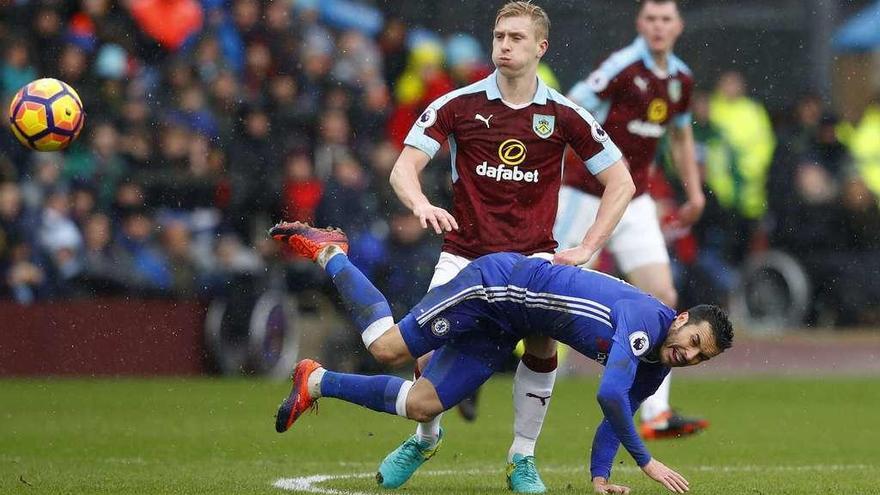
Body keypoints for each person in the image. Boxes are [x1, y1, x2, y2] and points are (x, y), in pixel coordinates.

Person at [270, 221, 733, 495]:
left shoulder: (659, 362)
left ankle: (315, 381)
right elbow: (610, 394)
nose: (687, 354)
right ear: (683, 318)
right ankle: (331, 250)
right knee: (386, 349)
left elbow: (617, 416)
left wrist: (599, 477)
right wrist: (647, 462)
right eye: (692, 340)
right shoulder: (645, 322)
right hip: (494, 287)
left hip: (516, 321)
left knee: (423, 403)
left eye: (698, 357)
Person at [385, 2, 636, 492]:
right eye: (500, 35)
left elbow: (621, 182)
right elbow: (403, 168)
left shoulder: (564, 115)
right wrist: (420, 203)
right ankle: (425, 436)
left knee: (544, 344)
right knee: (421, 354)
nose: (504, 44)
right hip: (465, 254)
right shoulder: (458, 105)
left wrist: (588, 245)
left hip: (532, 259)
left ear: (540, 47)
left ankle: (522, 458)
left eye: (517, 37)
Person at [556, 0, 707, 439]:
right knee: (550, 285)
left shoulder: (680, 78)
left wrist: (694, 191)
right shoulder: (621, 67)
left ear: (678, 26)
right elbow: (571, 107)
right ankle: (484, 363)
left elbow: (679, 134)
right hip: (587, 194)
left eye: (666, 19)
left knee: (662, 293)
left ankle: (656, 413)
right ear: (640, 24)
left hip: (636, 198)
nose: (659, 27)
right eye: (651, 19)